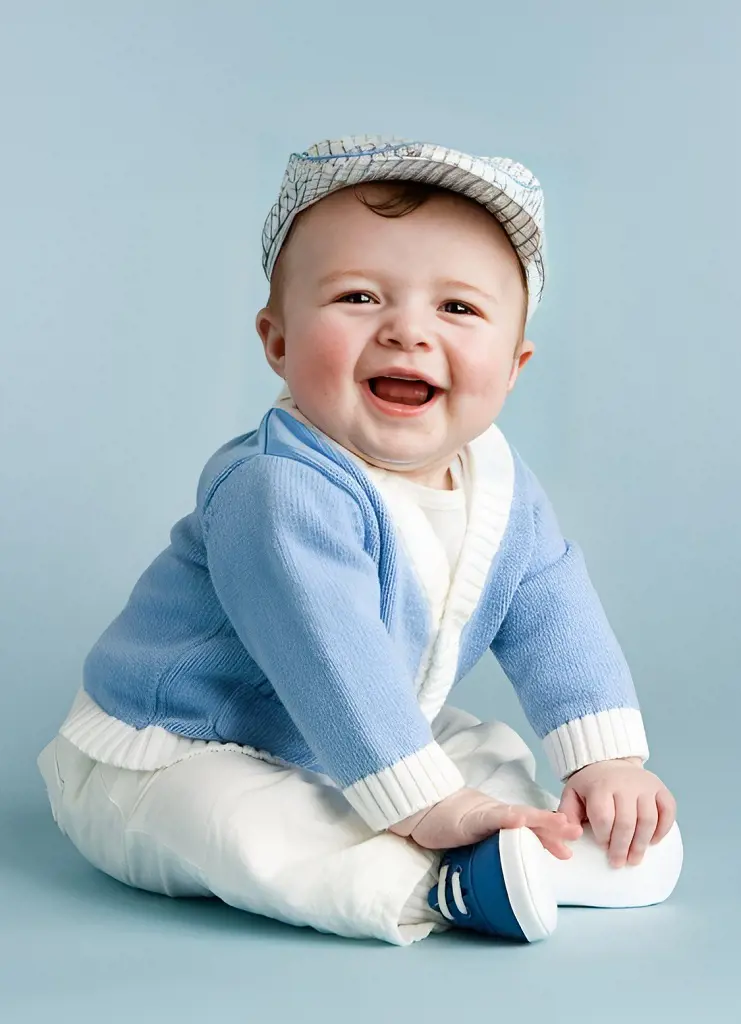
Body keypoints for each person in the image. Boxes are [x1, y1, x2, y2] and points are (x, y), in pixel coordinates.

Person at [37, 135, 683, 946]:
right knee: (232, 821)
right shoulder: (276, 487)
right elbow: (329, 652)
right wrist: (428, 803)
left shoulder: (499, 483)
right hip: (172, 749)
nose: (407, 331)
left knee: (486, 749)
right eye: (359, 297)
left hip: (361, 730)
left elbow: (553, 608)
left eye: (456, 309)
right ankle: (436, 885)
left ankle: (547, 845)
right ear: (277, 341)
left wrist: (603, 761)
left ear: (514, 365)